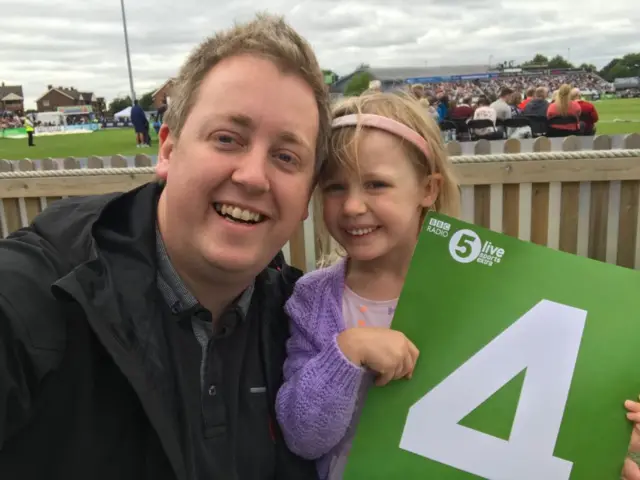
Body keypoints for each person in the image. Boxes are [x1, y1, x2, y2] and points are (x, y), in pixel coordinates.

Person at [0, 14, 331, 480]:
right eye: (227, 139)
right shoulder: (39, 293)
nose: (253, 176)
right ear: (169, 151)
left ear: (306, 199)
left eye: (285, 157)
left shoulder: (305, 325)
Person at [275, 92, 460, 480]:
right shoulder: (313, 301)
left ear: (428, 189)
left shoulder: (476, 290)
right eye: (335, 187)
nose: (352, 206)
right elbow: (302, 435)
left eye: (376, 184)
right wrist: (346, 351)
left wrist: (612, 425)